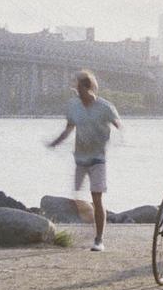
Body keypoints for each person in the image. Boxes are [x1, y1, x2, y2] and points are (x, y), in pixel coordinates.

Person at [45, 70, 121, 251]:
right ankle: (90, 223)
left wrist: (111, 137)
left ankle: (99, 240)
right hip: (80, 159)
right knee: (76, 197)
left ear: (88, 87)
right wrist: (55, 142)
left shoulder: (105, 107)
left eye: (79, 87)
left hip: (98, 159)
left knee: (97, 197)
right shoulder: (73, 106)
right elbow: (69, 129)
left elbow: (118, 125)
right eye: (76, 88)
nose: (76, 91)